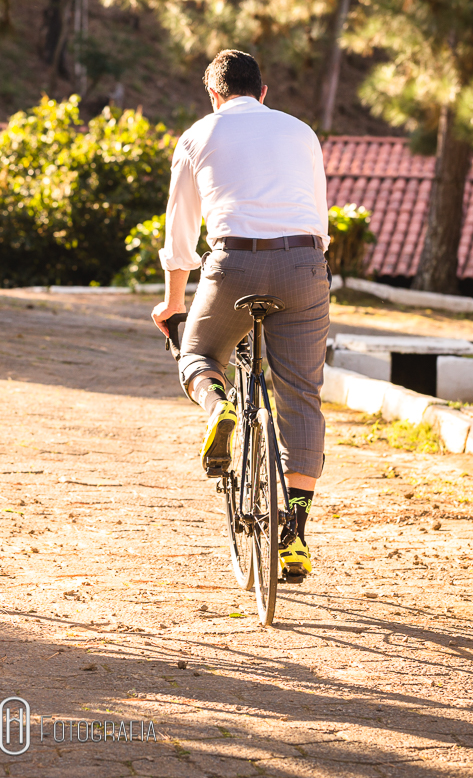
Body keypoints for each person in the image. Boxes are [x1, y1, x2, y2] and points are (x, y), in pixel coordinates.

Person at [151, 49, 330, 579]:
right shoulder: (302, 133)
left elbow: (180, 234)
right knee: (302, 394)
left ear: (213, 95)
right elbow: (316, 213)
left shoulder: (197, 135)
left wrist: (173, 302)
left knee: (199, 354)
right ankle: (294, 535)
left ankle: (219, 409)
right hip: (304, 264)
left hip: (233, 265)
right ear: (264, 91)